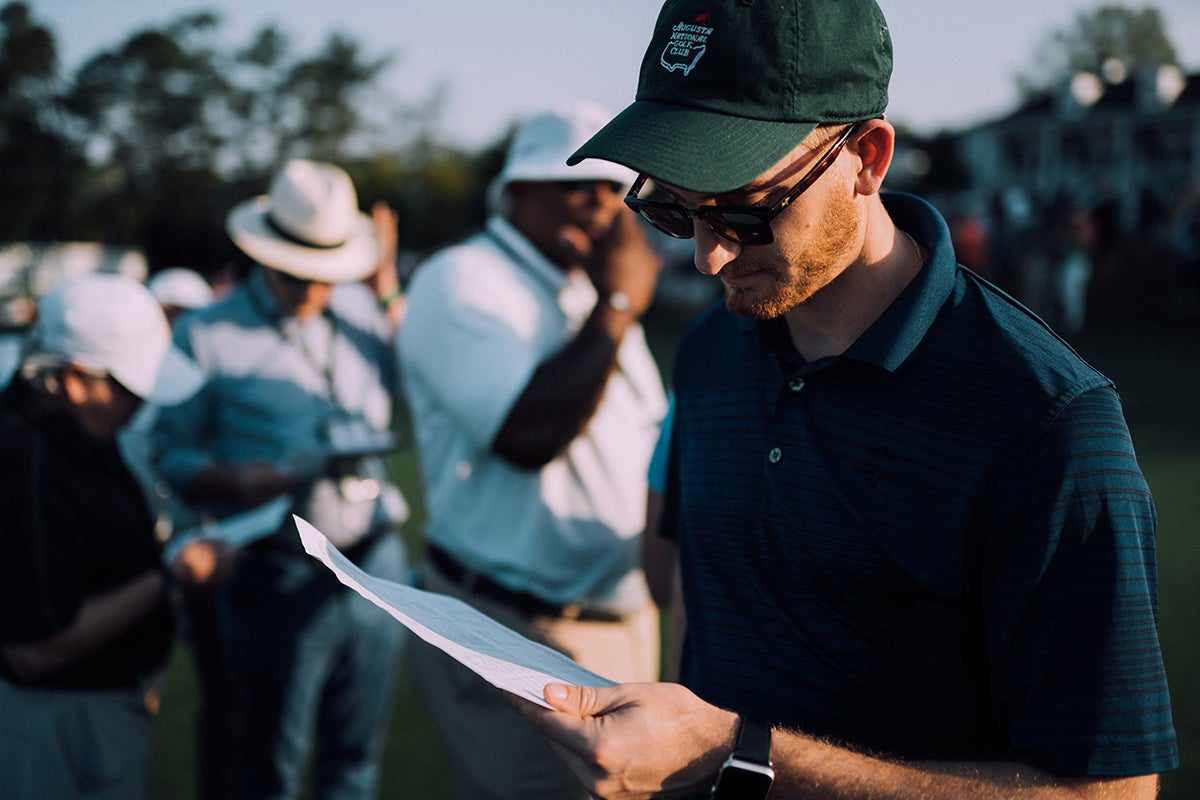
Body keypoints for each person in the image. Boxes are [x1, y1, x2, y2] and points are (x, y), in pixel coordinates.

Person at [510, 3, 1178, 799]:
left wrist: (737, 754)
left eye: (746, 211)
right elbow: (693, 587)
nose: (705, 253)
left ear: (866, 157)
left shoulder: (1048, 424)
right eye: (671, 207)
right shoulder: (712, 348)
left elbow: (1109, 792)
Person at [399, 100, 669, 800]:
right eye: (579, 185)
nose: (604, 208)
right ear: (518, 190)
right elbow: (527, 436)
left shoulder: (588, 286)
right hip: (518, 629)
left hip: (621, 619)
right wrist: (617, 308)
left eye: (618, 190)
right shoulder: (460, 280)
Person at [150, 159, 409, 800]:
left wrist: (389, 294)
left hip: (379, 562)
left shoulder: (363, 312)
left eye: (329, 271)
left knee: (356, 760)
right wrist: (233, 479)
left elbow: (420, 390)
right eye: (300, 270)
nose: (316, 288)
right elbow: (168, 451)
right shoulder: (205, 331)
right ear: (265, 252)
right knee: (268, 768)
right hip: (275, 572)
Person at [0, 273, 209, 800]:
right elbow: (34, 648)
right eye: (130, 390)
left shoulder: (76, 430)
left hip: (94, 704)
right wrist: (171, 575)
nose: (142, 405)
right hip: (53, 721)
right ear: (75, 379)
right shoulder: (27, 462)